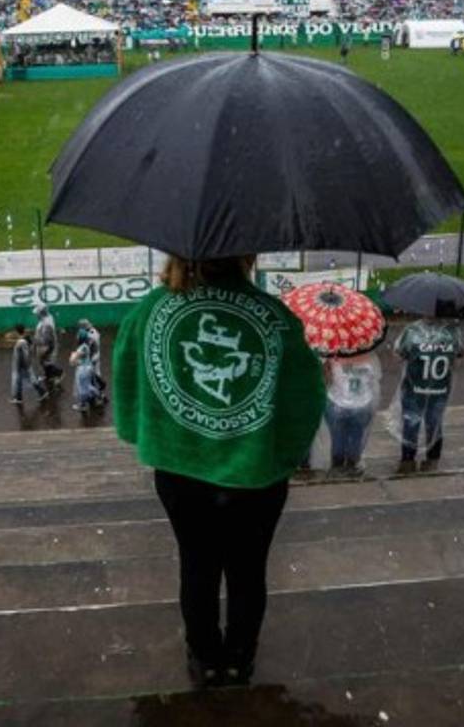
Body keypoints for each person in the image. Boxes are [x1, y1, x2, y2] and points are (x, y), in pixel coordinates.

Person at [112, 256, 325, 688]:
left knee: (197, 566)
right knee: (248, 572)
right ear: (248, 255)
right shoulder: (276, 318)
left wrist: (151, 437)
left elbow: (124, 376)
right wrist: (278, 456)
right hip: (258, 479)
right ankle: (239, 660)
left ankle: (206, 660)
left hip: (179, 474)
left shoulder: (150, 310)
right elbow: (306, 402)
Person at [392, 313, 463, 472]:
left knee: (411, 423)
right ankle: (432, 460)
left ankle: (408, 461)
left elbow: (398, 355)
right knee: (435, 424)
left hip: (414, 387)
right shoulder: (452, 332)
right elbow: (459, 358)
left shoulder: (412, 330)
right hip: (440, 388)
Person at [319, 351, 380, 474]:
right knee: (356, 438)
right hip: (362, 404)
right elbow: (375, 379)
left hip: (337, 403)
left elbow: (325, 379)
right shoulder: (371, 358)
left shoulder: (332, 358)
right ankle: (353, 465)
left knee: (337, 439)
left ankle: (337, 466)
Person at [10, 323, 46, 404]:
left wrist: (25, 365)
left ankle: (42, 392)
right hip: (21, 365)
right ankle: (18, 398)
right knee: (19, 380)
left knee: (32, 380)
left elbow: (25, 354)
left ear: (17, 332)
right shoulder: (25, 339)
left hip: (23, 365)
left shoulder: (21, 342)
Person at [69, 328, 102, 413]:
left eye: (78, 335)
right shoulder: (84, 346)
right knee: (87, 386)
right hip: (86, 368)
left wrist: (73, 356)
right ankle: (99, 396)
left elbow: (73, 360)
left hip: (83, 369)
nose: (76, 336)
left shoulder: (83, 347)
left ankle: (83, 405)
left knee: (83, 388)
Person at [34, 304, 62, 387]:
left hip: (46, 346)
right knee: (44, 362)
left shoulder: (47, 324)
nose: (36, 315)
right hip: (43, 345)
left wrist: (45, 349)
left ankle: (57, 374)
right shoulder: (47, 319)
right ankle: (48, 376)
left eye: (37, 313)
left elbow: (48, 339)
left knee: (47, 362)